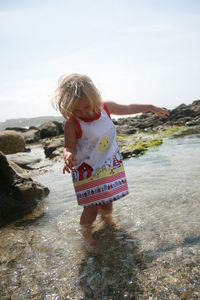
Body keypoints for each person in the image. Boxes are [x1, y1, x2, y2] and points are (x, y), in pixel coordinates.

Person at [52, 73, 169, 247]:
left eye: (86, 107)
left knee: (107, 201)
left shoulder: (106, 108)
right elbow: (68, 146)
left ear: (94, 98)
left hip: (108, 166)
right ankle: (85, 236)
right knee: (91, 206)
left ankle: (107, 220)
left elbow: (128, 108)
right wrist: (68, 155)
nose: (82, 112)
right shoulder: (72, 123)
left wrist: (150, 107)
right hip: (88, 171)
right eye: (76, 110)